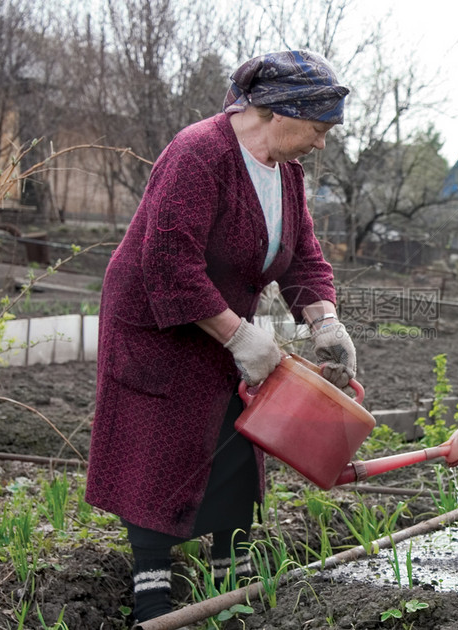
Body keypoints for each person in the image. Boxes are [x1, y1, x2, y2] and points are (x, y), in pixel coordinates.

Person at [84, 50, 357, 624]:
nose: (321, 143)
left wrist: (325, 320)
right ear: (278, 112)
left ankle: (229, 579)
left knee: (236, 438)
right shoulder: (199, 152)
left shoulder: (287, 174)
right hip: (157, 321)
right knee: (159, 444)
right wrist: (239, 336)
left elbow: (302, 258)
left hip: (222, 320)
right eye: (318, 128)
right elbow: (169, 261)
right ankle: (152, 595)